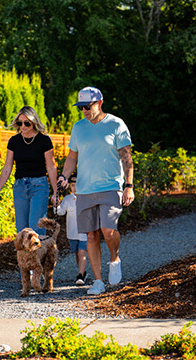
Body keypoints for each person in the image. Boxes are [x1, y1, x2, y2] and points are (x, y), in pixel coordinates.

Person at [57, 87, 134, 295]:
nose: (83, 110)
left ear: (99, 103)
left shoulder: (116, 124)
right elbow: (72, 157)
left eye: (87, 106)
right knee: (90, 236)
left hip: (111, 186)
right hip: (84, 189)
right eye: (80, 107)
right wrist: (64, 176)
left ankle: (115, 258)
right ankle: (98, 281)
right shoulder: (78, 128)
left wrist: (129, 186)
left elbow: (126, 157)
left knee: (108, 232)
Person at [0, 106, 58, 235]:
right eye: (19, 123)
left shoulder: (44, 141)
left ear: (34, 122)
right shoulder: (14, 141)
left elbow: (51, 166)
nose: (23, 126)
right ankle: (23, 256)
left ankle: (37, 255)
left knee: (36, 228)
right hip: (20, 187)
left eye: (26, 123)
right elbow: (7, 167)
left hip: (39, 186)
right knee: (22, 232)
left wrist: (55, 192)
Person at [56, 176, 89, 285]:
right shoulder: (67, 199)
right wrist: (57, 205)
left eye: (76, 185)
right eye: (72, 185)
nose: (74, 188)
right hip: (72, 232)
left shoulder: (86, 198)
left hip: (84, 231)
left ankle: (80, 275)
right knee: (76, 253)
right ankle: (83, 271)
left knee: (82, 251)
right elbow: (61, 212)